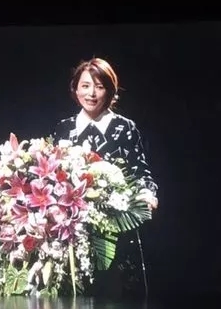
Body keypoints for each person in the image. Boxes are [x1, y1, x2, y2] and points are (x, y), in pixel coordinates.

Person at [51, 58, 158, 295]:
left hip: (116, 228)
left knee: (119, 298)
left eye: (99, 87)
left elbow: (140, 172)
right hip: (73, 230)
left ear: (110, 91)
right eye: (85, 86)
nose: (91, 93)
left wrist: (146, 193)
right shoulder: (64, 128)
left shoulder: (125, 127)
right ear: (75, 88)